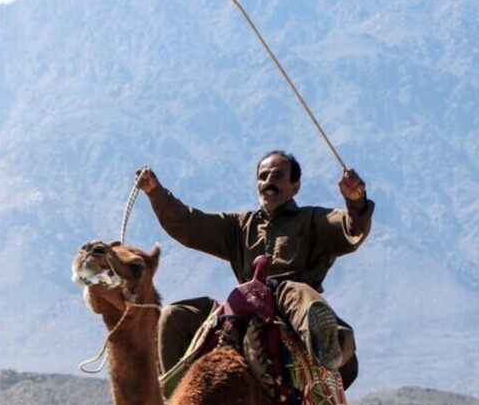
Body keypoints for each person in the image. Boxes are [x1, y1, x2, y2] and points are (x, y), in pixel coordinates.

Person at [136, 151, 373, 388]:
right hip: (244, 310)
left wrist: (355, 201)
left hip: (289, 310)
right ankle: (174, 399)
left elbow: (351, 227)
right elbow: (191, 224)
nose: (268, 182)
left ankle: (329, 344)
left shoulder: (313, 220)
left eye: (278, 176)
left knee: (292, 290)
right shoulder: (239, 226)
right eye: (263, 176)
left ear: (295, 187)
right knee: (174, 315)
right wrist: (156, 193)